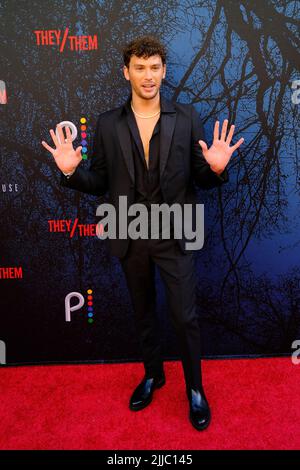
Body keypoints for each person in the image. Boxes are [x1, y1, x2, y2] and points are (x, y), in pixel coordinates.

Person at [42, 35, 244, 431]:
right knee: (143, 312)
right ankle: (153, 374)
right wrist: (70, 170)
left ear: (164, 72)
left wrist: (217, 168)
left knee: (184, 317)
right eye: (140, 67)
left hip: (175, 235)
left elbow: (201, 178)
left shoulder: (186, 117)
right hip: (129, 233)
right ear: (126, 72)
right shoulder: (106, 123)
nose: (148, 76)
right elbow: (99, 180)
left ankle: (195, 389)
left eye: (154, 68)